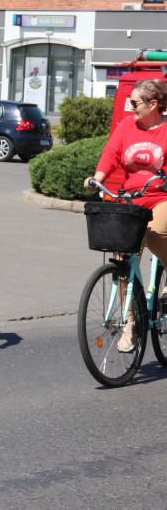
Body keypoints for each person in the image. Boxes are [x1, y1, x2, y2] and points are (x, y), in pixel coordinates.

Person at [85, 78, 167, 352]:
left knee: (156, 231)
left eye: (135, 103)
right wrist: (97, 179)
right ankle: (129, 323)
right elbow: (111, 154)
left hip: (161, 197)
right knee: (122, 258)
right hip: (131, 197)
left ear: (153, 104)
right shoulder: (126, 126)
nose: (130, 107)